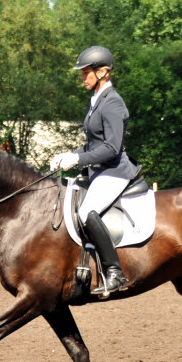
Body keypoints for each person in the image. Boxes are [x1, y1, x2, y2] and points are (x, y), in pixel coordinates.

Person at [50, 46, 137, 295]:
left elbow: (111, 147)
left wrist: (78, 160)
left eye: (86, 72)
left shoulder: (112, 104)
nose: (82, 77)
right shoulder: (96, 101)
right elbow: (92, 144)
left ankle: (114, 274)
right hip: (99, 170)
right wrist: (69, 155)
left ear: (104, 72)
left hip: (114, 171)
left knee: (88, 212)